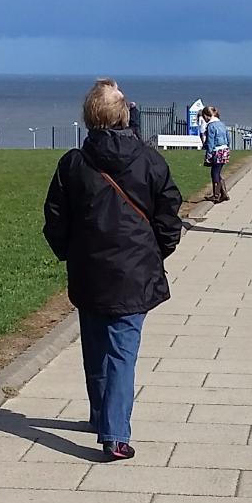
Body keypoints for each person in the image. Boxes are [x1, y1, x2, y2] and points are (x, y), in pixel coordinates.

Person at [44, 79, 183, 459]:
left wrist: (69, 251)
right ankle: (114, 433)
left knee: (95, 344)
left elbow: (55, 217)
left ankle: (102, 416)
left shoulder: (74, 163)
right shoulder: (149, 160)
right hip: (132, 272)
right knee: (120, 351)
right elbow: (170, 213)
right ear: (125, 116)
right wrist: (158, 252)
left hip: (91, 270)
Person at [201, 104, 231, 203]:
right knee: (217, 172)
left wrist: (208, 155)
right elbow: (228, 138)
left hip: (216, 151)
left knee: (214, 173)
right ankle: (224, 193)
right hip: (224, 150)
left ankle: (217, 195)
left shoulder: (211, 126)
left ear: (206, 115)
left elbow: (210, 141)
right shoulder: (222, 124)